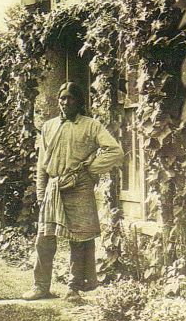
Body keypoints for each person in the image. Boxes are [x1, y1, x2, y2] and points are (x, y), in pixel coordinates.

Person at [22, 82, 124, 303]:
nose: (66, 102)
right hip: (54, 187)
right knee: (45, 238)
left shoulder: (91, 126)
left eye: (71, 98)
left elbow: (115, 151)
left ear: (79, 102)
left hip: (79, 187)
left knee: (80, 238)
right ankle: (41, 287)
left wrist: (91, 168)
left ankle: (74, 288)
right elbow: (42, 164)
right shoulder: (48, 127)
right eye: (62, 98)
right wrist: (41, 193)